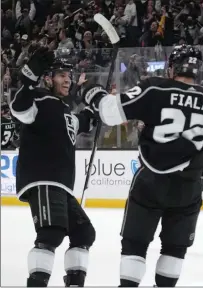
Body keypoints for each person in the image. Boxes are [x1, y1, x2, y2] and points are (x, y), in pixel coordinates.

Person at [82, 44, 203, 287]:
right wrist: (198, 174)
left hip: (150, 182)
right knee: (175, 249)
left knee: (135, 245)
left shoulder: (155, 88)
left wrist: (93, 92)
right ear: (197, 70)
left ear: (172, 69)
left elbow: (109, 113)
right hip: (188, 189)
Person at [10, 47, 97, 287]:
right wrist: (29, 76)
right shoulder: (39, 99)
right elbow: (19, 108)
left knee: (84, 234)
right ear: (47, 78)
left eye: (69, 75)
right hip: (44, 178)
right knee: (51, 233)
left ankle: (74, 283)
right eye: (61, 75)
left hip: (61, 185)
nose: (67, 79)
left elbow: (83, 122)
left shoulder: (64, 109)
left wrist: (95, 110)